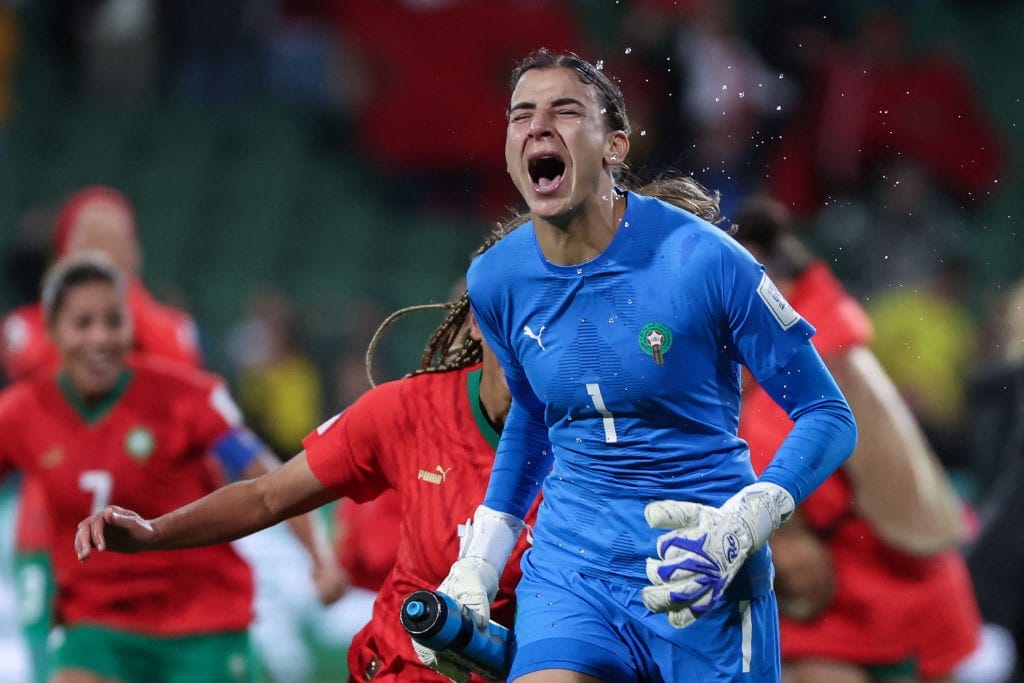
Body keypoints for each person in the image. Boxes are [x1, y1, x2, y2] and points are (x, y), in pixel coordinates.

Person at [421, 49, 857, 683]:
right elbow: (535, 419)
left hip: (700, 570)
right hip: (571, 574)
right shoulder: (497, 279)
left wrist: (749, 518)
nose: (538, 125)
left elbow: (828, 413)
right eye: (521, 115)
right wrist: (482, 559)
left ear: (614, 146)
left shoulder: (705, 261)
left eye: (564, 110)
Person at [74, 258, 541, 682]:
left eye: (550, 315)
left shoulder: (601, 445)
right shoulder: (408, 412)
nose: (532, 334)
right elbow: (267, 495)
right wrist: (152, 532)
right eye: (514, 311)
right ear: (477, 322)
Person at [0, 252, 343, 683]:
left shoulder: (187, 398)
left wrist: (320, 558)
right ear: (51, 330)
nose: (100, 338)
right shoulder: (20, 414)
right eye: (82, 323)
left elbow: (270, 481)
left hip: (200, 620)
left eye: (113, 321)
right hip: (97, 621)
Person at [734, 194, 982, 683]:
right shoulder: (796, 353)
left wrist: (784, 541)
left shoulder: (816, 368)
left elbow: (909, 517)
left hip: (878, 606)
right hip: (843, 612)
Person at [0, 185, 206, 683]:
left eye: (115, 240)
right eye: (89, 239)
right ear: (62, 255)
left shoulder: (173, 326)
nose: (102, 251)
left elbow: (178, 377)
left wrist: (117, 290)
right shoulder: (25, 327)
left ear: (135, 254)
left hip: (148, 543)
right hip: (50, 542)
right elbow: (54, 371)